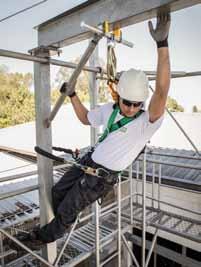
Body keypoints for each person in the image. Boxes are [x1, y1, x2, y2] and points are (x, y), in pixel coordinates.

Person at [14, 13, 171, 249]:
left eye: (136, 104)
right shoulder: (110, 109)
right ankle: (64, 221)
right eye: (126, 102)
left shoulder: (146, 121)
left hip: (99, 179)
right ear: (119, 95)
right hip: (88, 161)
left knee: (67, 209)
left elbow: (161, 89)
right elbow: (86, 119)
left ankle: (38, 239)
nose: (130, 108)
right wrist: (73, 95)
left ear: (142, 103)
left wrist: (162, 44)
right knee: (57, 195)